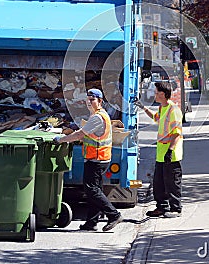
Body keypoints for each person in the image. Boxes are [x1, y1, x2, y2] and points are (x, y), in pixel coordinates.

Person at [54, 88, 123, 231]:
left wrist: (62, 140)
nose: (89, 102)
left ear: (100, 101)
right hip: (99, 158)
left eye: (92, 100)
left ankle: (114, 215)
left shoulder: (98, 118)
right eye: (88, 100)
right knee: (95, 190)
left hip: (97, 159)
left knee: (92, 190)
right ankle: (91, 222)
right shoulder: (99, 115)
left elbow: (80, 134)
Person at [135, 81, 183, 218]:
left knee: (172, 183)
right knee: (158, 183)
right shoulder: (163, 108)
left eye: (156, 93)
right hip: (161, 154)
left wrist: (170, 150)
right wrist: (143, 108)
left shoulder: (174, 110)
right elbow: (156, 118)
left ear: (162, 94)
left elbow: (176, 133)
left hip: (171, 154)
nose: (154, 95)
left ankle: (175, 209)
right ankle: (161, 207)